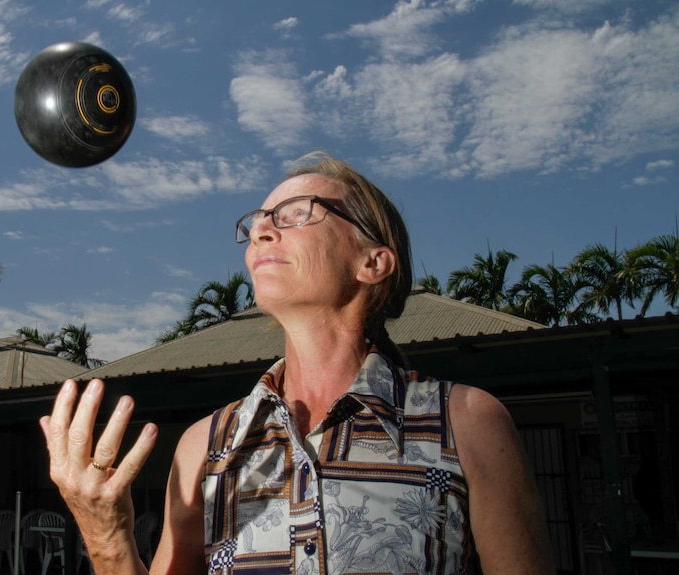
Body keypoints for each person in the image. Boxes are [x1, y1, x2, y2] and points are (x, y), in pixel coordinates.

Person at [40, 152, 556, 575]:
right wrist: (106, 537)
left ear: (372, 262)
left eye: (296, 212)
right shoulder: (206, 446)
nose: (262, 230)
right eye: (260, 220)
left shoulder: (467, 423)